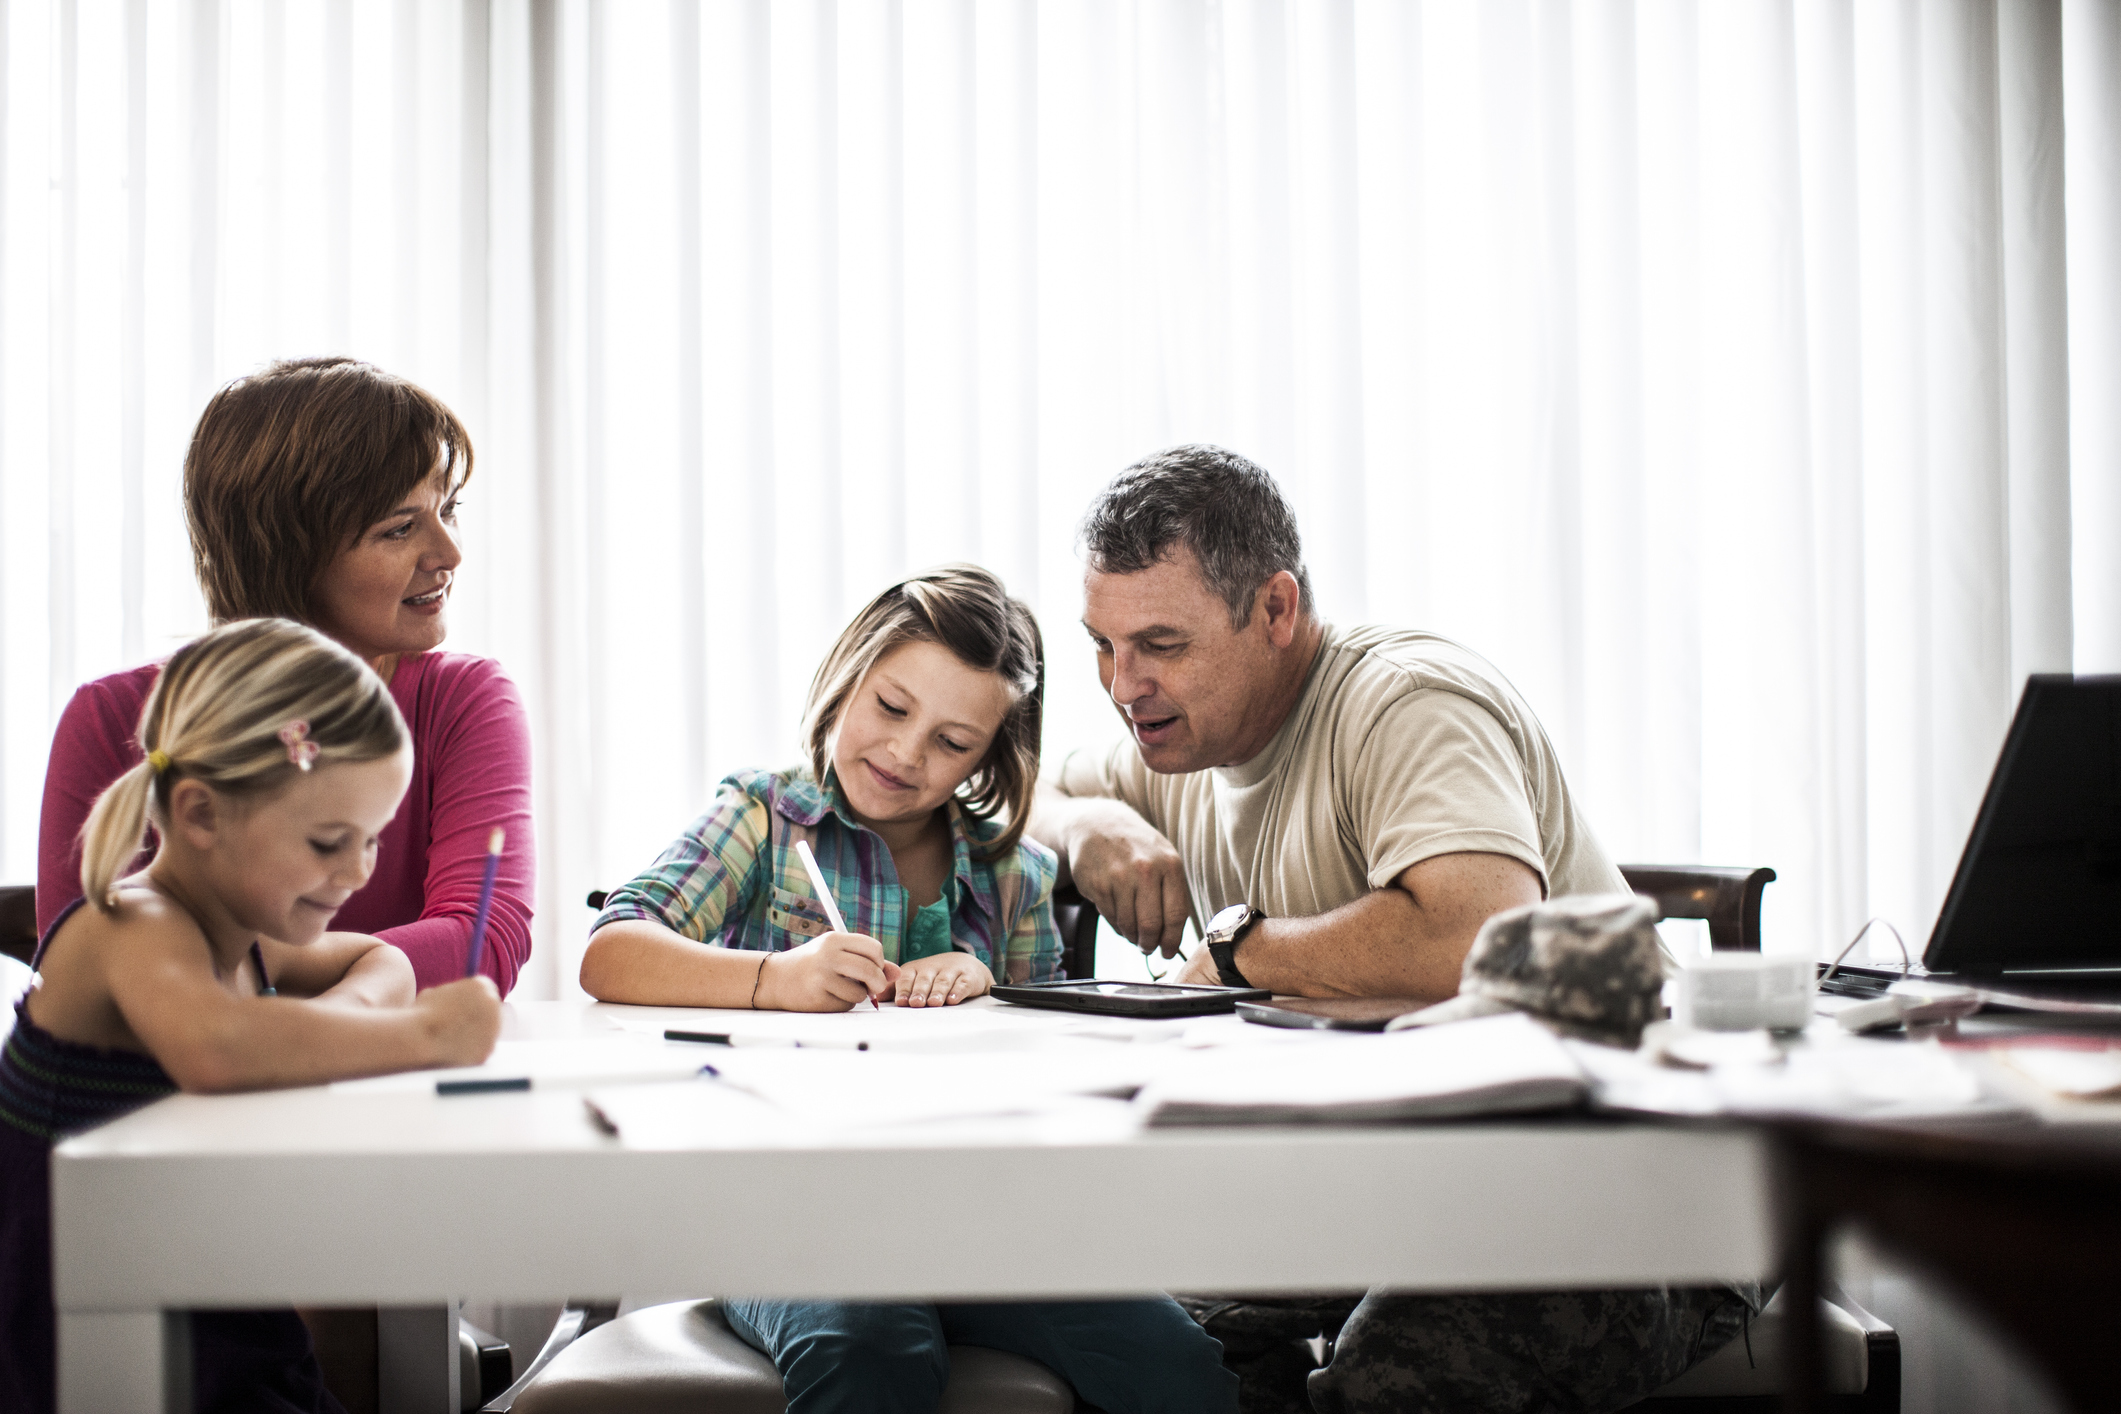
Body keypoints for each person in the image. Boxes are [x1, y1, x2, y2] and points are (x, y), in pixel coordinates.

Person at [1029, 446, 1749, 1414]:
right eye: (1102, 644)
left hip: (1622, 1186)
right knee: (1124, 1331)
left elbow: (1474, 937)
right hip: (1390, 1184)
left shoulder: (1406, 701)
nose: (1123, 684)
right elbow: (1012, 788)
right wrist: (1087, 821)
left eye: (1161, 644)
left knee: (1392, 1384)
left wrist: (1240, 952)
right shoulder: (1177, 741)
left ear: (1276, 611)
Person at [580, 565, 1236, 1414]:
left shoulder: (1015, 873)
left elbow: (1066, 1085)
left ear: (990, 755)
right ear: (849, 674)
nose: (904, 754)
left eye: (952, 742)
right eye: (891, 708)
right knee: (871, 1348)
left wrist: (993, 992)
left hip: (973, 1218)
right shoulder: (763, 820)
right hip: (779, 1213)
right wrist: (772, 980)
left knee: (1171, 1363)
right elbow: (613, 952)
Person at [0, 619, 503, 1414]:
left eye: (371, 839)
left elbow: (386, 961)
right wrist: (421, 1037)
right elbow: (215, 1046)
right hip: (85, 1326)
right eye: (330, 839)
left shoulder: (240, 939)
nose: (359, 870)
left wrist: (343, 1024)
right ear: (200, 814)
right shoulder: (132, 922)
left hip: (199, 1285)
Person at [36, 357, 534, 994]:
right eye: (401, 527)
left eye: (449, 510)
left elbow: (485, 938)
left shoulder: (464, 700)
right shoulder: (111, 719)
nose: (450, 554)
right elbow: (86, 972)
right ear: (287, 553)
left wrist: (234, 983)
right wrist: (352, 990)